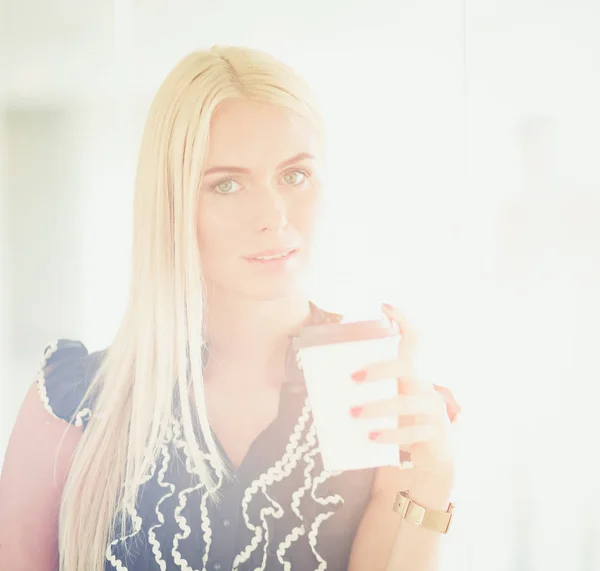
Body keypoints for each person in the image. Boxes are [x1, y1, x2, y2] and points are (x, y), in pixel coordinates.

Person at [0, 45, 461, 571]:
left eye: (294, 176)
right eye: (227, 184)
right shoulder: (71, 405)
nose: (273, 214)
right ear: (171, 203)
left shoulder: (373, 396)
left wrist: (432, 476)